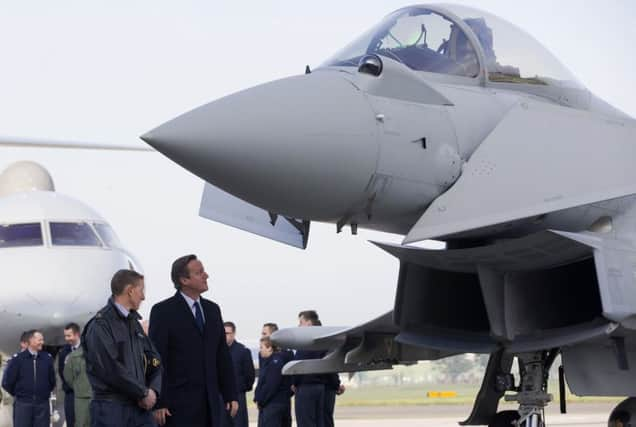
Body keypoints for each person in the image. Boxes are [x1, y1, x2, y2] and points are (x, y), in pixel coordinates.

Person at [149, 254, 238, 427]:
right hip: (177, 406)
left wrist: (231, 394)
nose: (206, 276)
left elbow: (222, 356)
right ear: (184, 280)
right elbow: (156, 359)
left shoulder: (212, 310)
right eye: (199, 272)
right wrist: (159, 401)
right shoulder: (163, 311)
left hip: (211, 405)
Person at [82, 269, 162, 427]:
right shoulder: (101, 325)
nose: (144, 297)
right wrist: (143, 392)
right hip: (112, 410)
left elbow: (155, 361)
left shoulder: (135, 325)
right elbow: (110, 368)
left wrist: (153, 391)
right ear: (130, 291)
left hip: (141, 410)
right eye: (141, 290)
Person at [1, 329, 56, 427]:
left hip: (42, 405)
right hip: (23, 405)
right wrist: (20, 394)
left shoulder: (47, 359)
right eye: (40, 340)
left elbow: (52, 381)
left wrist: (43, 394)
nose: (42, 342)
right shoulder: (17, 359)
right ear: (31, 341)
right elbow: (7, 382)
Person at [293, 311, 326, 427]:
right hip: (320, 387)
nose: (299, 326)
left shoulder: (306, 342)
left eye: (301, 322)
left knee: (305, 422)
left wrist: (294, 383)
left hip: (305, 388)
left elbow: (297, 365)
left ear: (309, 323)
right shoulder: (323, 342)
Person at [221, 321, 255, 427]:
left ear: (234, 334)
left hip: (238, 396)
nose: (224, 336)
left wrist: (239, 389)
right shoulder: (217, 351)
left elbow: (249, 376)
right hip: (221, 398)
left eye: (227, 333)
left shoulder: (243, 351)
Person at [313, 320, 345, 427]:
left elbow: (330, 368)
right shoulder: (327, 345)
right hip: (327, 388)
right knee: (326, 419)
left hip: (326, 389)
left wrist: (335, 385)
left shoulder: (317, 346)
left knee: (323, 419)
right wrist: (337, 386)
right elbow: (332, 369)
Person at [261, 322, 293, 427]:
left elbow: (271, 383)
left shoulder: (281, 356)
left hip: (275, 402)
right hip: (277, 401)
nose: (262, 336)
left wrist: (261, 400)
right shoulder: (266, 355)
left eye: (265, 334)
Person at [254, 337, 291, 427]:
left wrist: (261, 401)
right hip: (273, 404)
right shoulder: (270, 362)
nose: (260, 350)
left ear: (269, 348)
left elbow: (270, 386)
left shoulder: (275, 363)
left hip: (273, 405)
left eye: (261, 347)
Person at [59, 322, 81, 427]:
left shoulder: (87, 349)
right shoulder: (64, 352)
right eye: (65, 336)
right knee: (71, 422)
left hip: (85, 394)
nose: (67, 339)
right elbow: (61, 372)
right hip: (70, 394)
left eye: (69, 335)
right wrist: (69, 387)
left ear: (77, 334)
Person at [63, 345, 91, 427]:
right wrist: (78, 386)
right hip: (83, 396)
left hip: (94, 396)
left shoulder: (73, 355)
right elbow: (68, 377)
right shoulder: (74, 356)